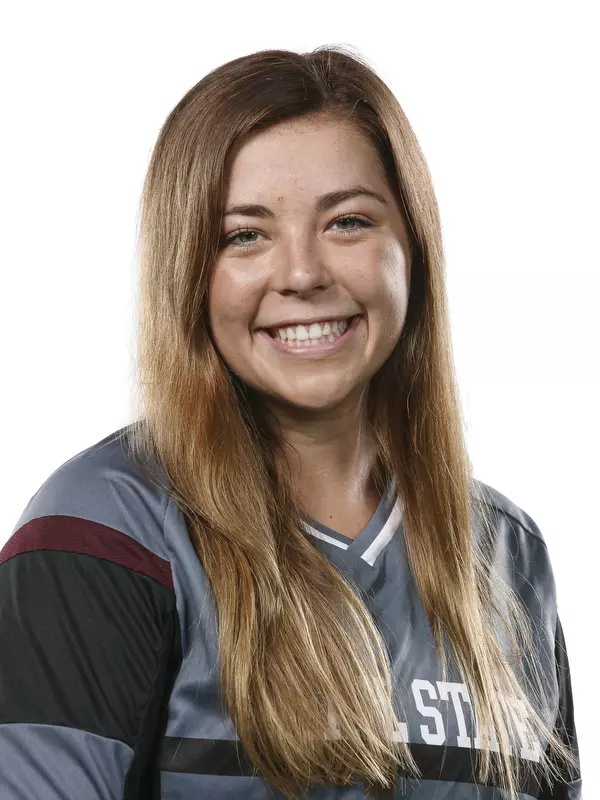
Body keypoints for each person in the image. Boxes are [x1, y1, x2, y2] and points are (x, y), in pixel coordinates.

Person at [0, 46, 581, 799]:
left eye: (346, 221)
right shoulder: (105, 530)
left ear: (413, 249)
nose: (302, 273)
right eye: (245, 234)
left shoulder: (510, 558)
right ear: (188, 271)